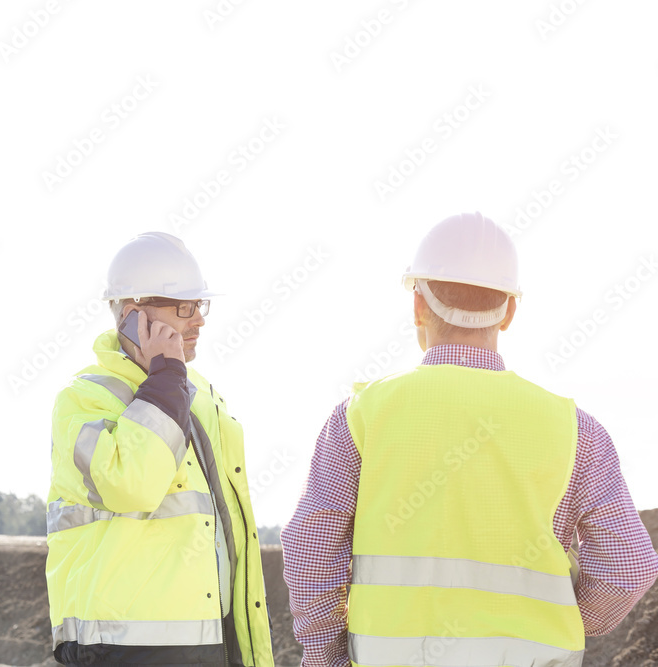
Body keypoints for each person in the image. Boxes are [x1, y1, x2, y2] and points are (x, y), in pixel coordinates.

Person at [281, 212, 658, 667]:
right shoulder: (577, 430)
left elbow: (309, 551)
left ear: (418, 305)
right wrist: (561, 620)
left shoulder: (359, 417)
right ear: (510, 312)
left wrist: (327, 656)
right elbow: (629, 567)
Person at [46, 231, 275, 666]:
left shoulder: (200, 397)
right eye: (185, 307)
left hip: (210, 644)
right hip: (122, 649)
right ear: (134, 316)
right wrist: (165, 380)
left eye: (200, 306)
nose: (199, 320)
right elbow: (133, 484)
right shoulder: (82, 401)